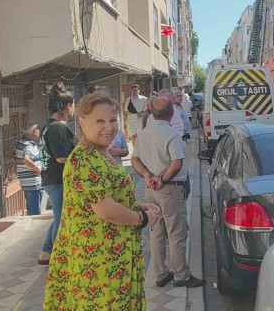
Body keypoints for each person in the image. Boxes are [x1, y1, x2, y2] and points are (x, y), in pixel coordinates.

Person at [44, 92, 160, 310]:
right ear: (82, 122)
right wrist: (143, 218)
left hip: (111, 255)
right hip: (97, 262)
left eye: (113, 120)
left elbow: (107, 197)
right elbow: (106, 210)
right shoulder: (84, 158)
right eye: (100, 121)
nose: (108, 127)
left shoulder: (101, 152)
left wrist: (137, 206)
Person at [131, 97, 206, 288]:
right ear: (172, 114)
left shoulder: (143, 133)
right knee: (176, 233)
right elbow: (176, 162)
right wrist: (162, 179)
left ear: (151, 112)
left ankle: (160, 274)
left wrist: (147, 176)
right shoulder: (172, 134)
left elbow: (135, 160)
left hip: (151, 190)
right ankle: (181, 275)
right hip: (170, 188)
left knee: (156, 231)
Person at [38, 83, 76, 265]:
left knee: (59, 216)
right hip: (57, 180)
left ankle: (46, 252)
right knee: (62, 218)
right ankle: (58, 259)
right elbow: (62, 158)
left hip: (53, 179)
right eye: (73, 104)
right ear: (68, 106)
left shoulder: (52, 125)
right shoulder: (56, 128)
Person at [15, 122, 44, 216]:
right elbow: (26, 159)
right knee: (34, 213)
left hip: (30, 183)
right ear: (33, 132)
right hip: (33, 184)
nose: (39, 131)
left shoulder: (22, 143)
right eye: (37, 129)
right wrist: (38, 171)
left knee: (34, 210)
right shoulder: (28, 145)